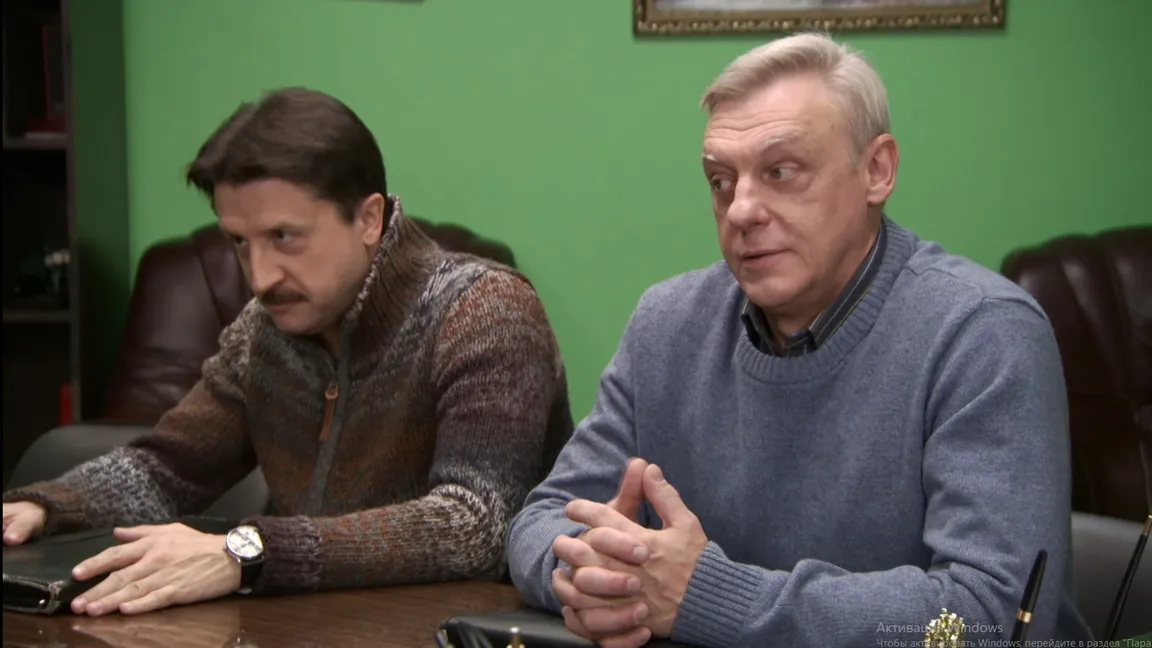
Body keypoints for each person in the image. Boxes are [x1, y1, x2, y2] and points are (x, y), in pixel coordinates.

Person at [507, 33, 1093, 648]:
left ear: (877, 170)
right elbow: (541, 520)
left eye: (781, 172)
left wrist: (708, 597)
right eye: (720, 180)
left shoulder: (983, 333)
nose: (741, 210)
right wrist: (596, 578)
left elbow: (988, 617)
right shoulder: (667, 323)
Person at [2, 87, 573, 616]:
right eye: (239, 242)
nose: (261, 277)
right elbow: (167, 469)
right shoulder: (263, 330)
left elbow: (477, 524)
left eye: (284, 237)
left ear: (369, 218)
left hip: (441, 628)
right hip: (298, 623)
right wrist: (46, 506)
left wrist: (249, 551)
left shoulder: (484, 310)